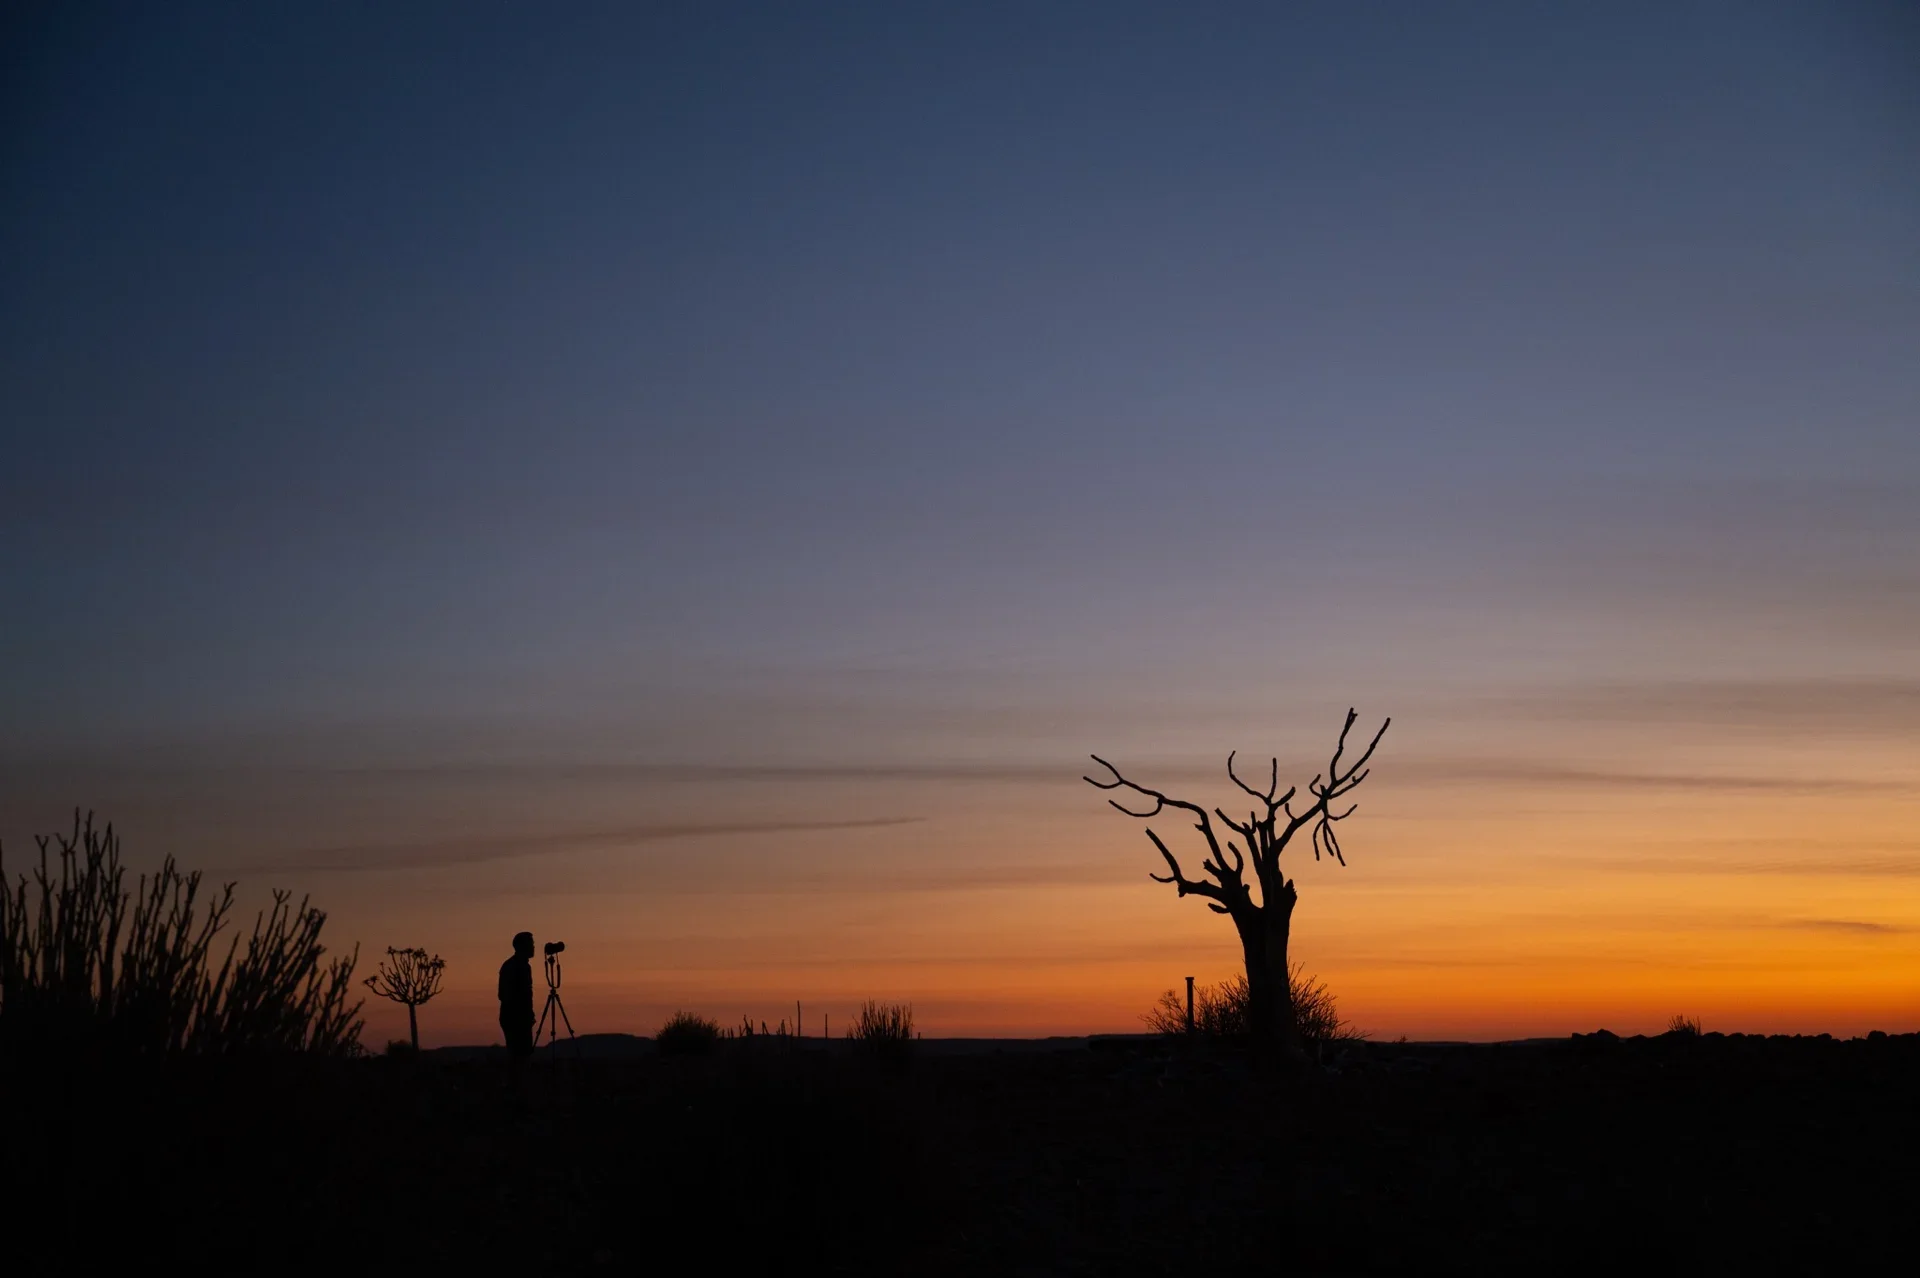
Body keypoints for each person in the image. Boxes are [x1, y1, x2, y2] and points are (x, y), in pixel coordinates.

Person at [499, 931, 535, 1064]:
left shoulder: (521, 966)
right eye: (531, 944)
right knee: (519, 1057)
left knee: (520, 1056)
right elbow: (504, 994)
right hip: (515, 1019)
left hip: (518, 1018)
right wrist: (523, 1013)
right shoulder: (514, 966)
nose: (533, 947)